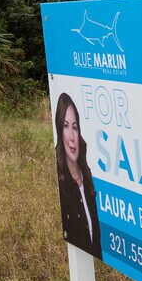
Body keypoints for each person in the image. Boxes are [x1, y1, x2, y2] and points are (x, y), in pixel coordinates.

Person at [54, 91, 101, 258]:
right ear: (59, 130)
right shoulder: (62, 184)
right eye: (66, 126)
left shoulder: (89, 180)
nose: (72, 137)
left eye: (75, 127)